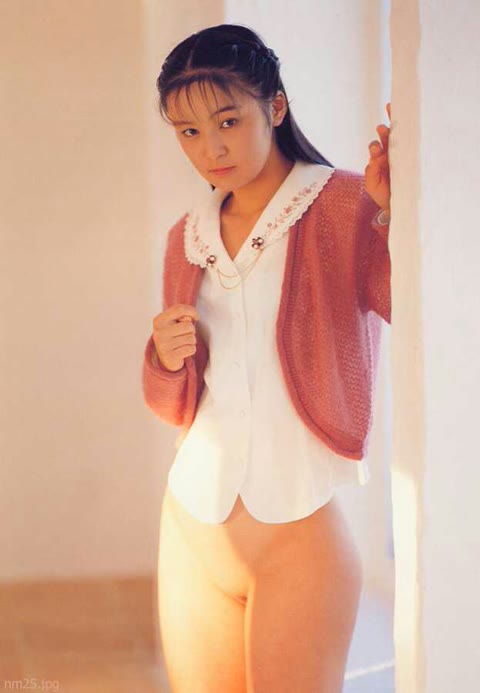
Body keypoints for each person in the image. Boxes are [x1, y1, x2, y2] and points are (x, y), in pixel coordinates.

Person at [142, 23, 391, 693]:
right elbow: (175, 405)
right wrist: (162, 359)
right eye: (189, 132)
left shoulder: (344, 204)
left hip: (298, 537)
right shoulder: (186, 236)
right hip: (192, 523)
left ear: (275, 107)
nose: (211, 148)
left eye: (229, 121)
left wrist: (394, 216)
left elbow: (412, 305)